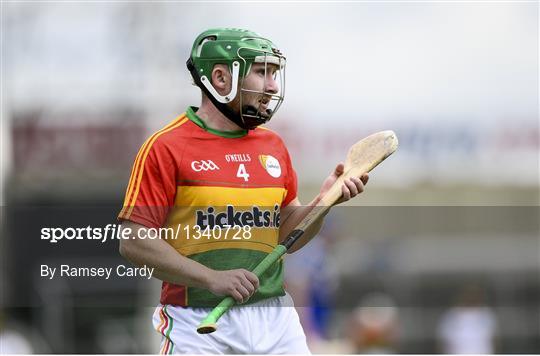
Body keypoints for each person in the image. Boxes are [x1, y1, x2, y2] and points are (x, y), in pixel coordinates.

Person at [118, 28, 369, 354]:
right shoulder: (166, 147)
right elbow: (134, 241)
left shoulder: (273, 145)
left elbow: (285, 238)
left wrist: (324, 202)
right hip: (198, 322)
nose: (272, 86)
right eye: (262, 72)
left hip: (275, 316)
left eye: (275, 74)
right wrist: (211, 278)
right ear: (221, 77)